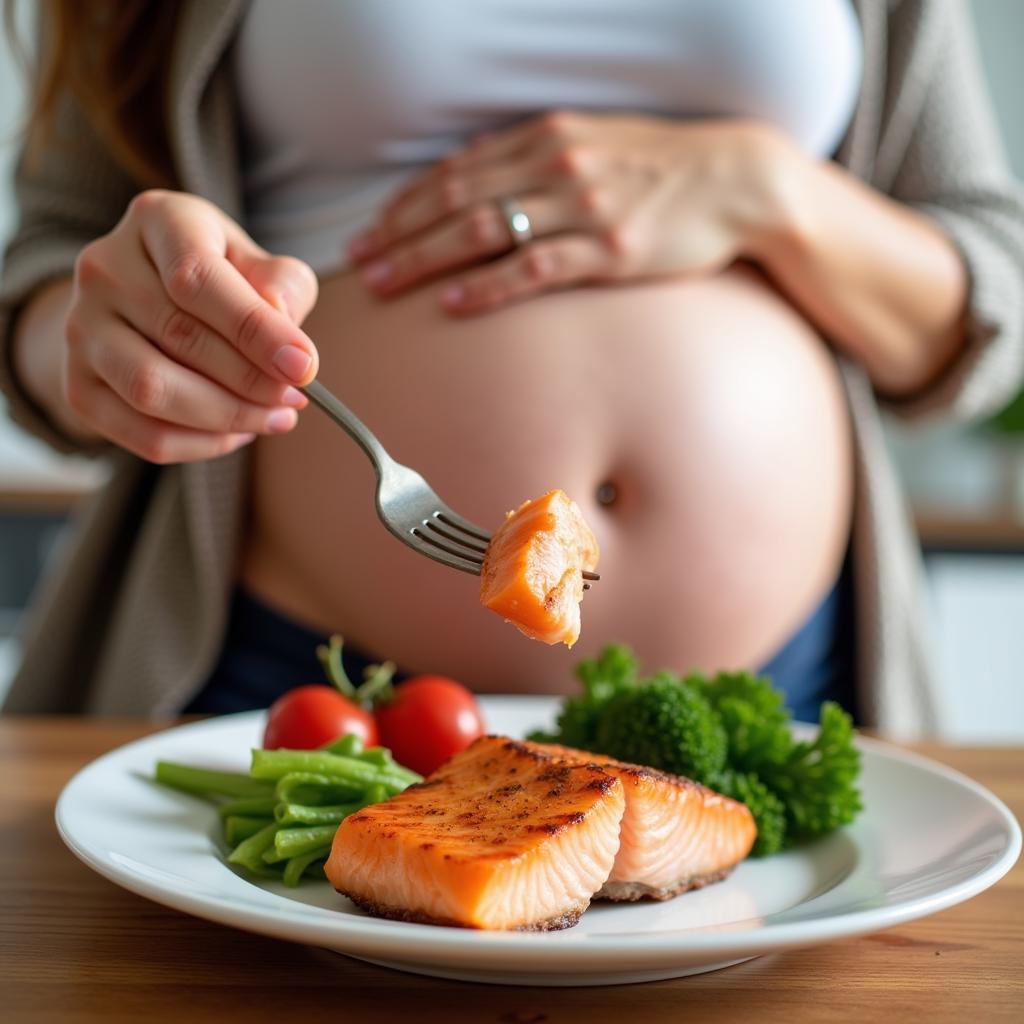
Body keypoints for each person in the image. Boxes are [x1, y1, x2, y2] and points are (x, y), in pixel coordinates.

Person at [1, 0, 1022, 735]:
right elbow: (51, 265)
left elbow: (988, 304)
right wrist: (99, 342)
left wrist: (767, 193)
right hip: (289, 691)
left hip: (778, 695)